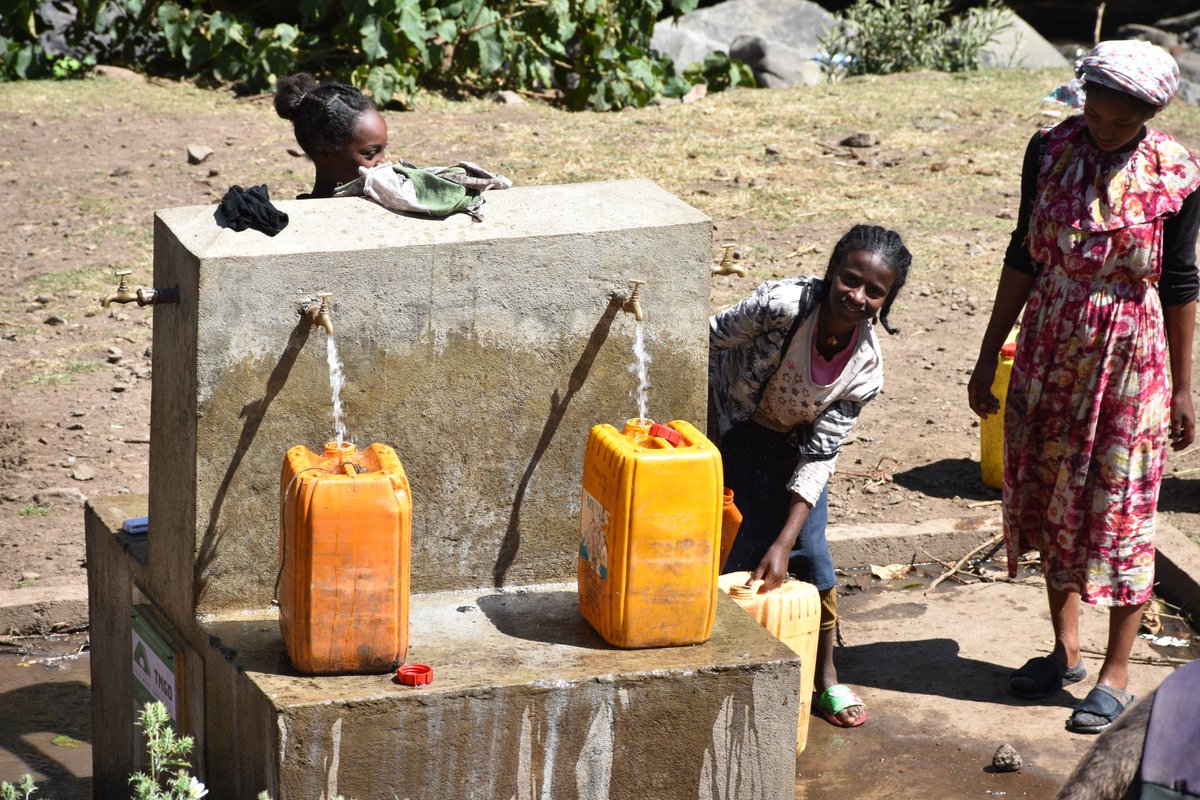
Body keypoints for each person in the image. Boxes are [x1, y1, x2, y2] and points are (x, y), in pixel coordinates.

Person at [967, 40, 1199, 735]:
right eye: (1095, 113)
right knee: (1049, 493)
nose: (1103, 130)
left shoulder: (1176, 174)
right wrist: (986, 355)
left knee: (1122, 508)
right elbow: (1022, 253)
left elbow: (1183, 281)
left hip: (1129, 356)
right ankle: (1064, 649)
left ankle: (1115, 673)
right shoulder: (1049, 152)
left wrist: (1186, 390)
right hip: (1049, 344)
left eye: (1121, 123)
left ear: (1150, 116)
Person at [709, 223, 911, 728]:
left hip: (792, 451)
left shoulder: (864, 367)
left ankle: (825, 676)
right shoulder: (782, 305)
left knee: (813, 559)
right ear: (831, 273)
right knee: (723, 550)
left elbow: (821, 455)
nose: (857, 296)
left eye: (874, 292)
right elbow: (709, 337)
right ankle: (716, 665)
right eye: (849, 280)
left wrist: (786, 540)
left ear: (886, 301)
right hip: (726, 431)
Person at [274, 72, 390, 199]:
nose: (385, 161)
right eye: (371, 154)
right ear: (326, 154)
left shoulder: (391, 199)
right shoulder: (311, 217)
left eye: (384, 149)